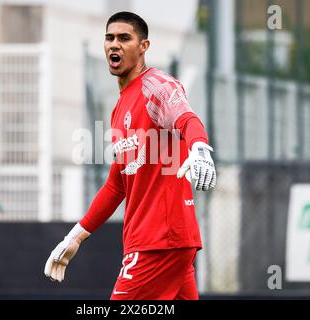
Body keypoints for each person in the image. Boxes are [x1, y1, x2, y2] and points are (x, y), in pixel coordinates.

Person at [44, 11, 216, 300]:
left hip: (158, 243)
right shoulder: (120, 107)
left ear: (144, 46)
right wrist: (75, 236)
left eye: (125, 38)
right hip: (165, 244)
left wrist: (199, 147)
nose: (115, 44)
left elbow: (188, 119)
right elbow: (116, 185)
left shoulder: (158, 86)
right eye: (109, 38)